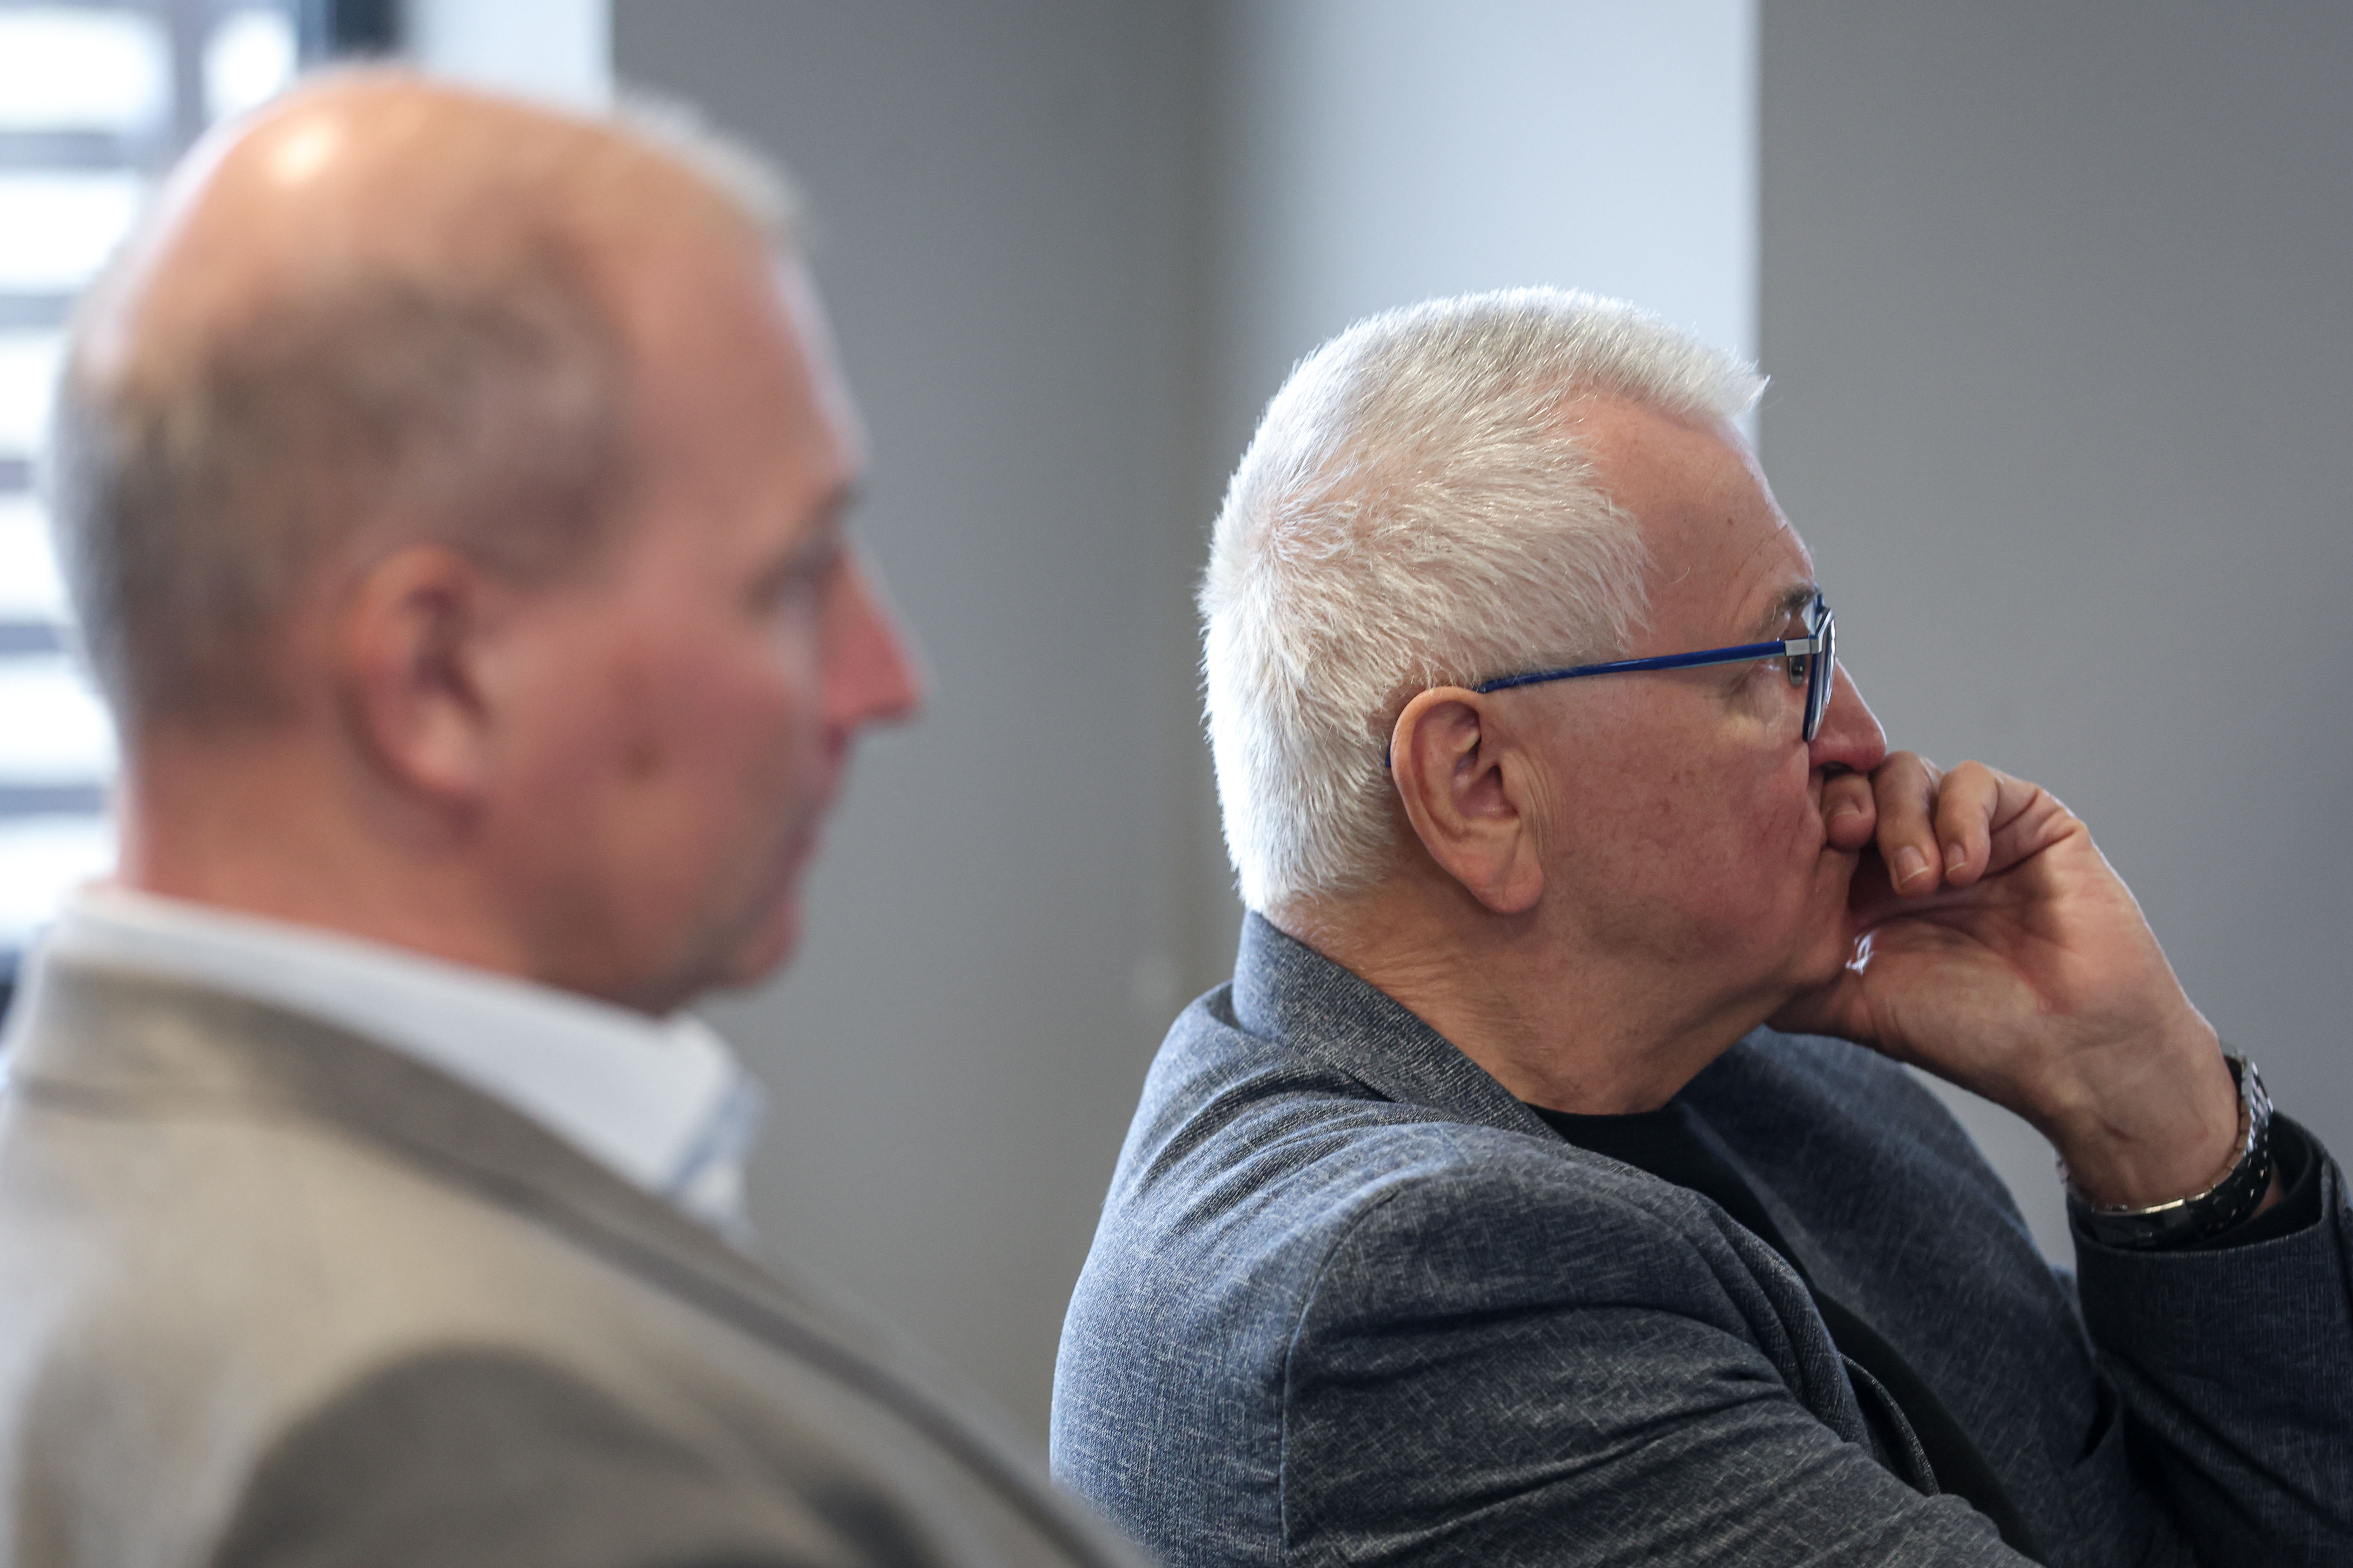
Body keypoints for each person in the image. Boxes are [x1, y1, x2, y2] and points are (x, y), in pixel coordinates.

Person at [0, 73, 1139, 1568]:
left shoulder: (92, 1175)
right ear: (442, 680)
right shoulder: (452, 1437)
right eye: (794, 577)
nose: (885, 679)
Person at [1051, 290, 2351, 1566]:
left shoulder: (1792, 1081)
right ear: (1481, 785)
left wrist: (2151, 1112)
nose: (1862, 739)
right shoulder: (1389, 1296)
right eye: (1780, 664)